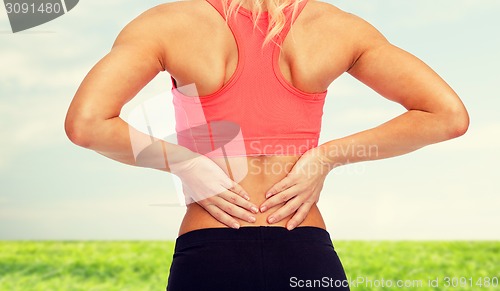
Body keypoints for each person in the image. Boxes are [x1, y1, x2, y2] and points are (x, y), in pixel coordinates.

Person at [64, 0, 469, 289]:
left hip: (210, 249)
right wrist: (326, 157)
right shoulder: (337, 26)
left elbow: (87, 125)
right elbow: (447, 116)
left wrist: (185, 163)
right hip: (303, 247)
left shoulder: (168, 22)